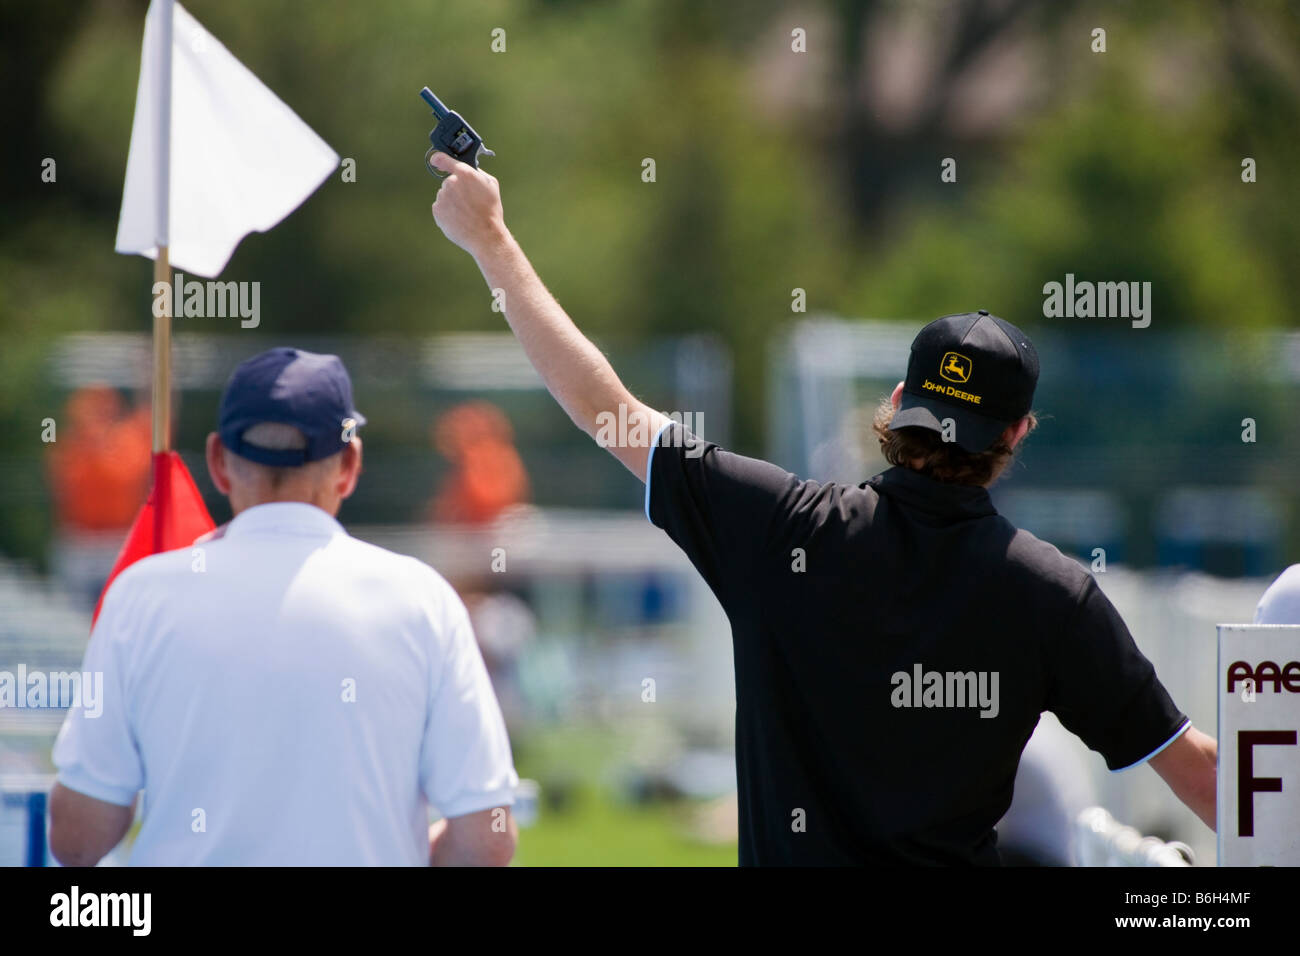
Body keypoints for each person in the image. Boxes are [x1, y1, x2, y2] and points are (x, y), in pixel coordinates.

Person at [426, 152, 1218, 865]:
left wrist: (492, 242)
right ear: (1015, 433)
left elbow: (607, 409)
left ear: (900, 403)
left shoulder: (782, 528)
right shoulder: (1053, 594)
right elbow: (1199, 774)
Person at [49, 347, 518, 866]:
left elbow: (78, 838)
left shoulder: (140, 597)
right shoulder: (424, 599)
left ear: (218, 462)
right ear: (350, 464)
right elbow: (487, 840)